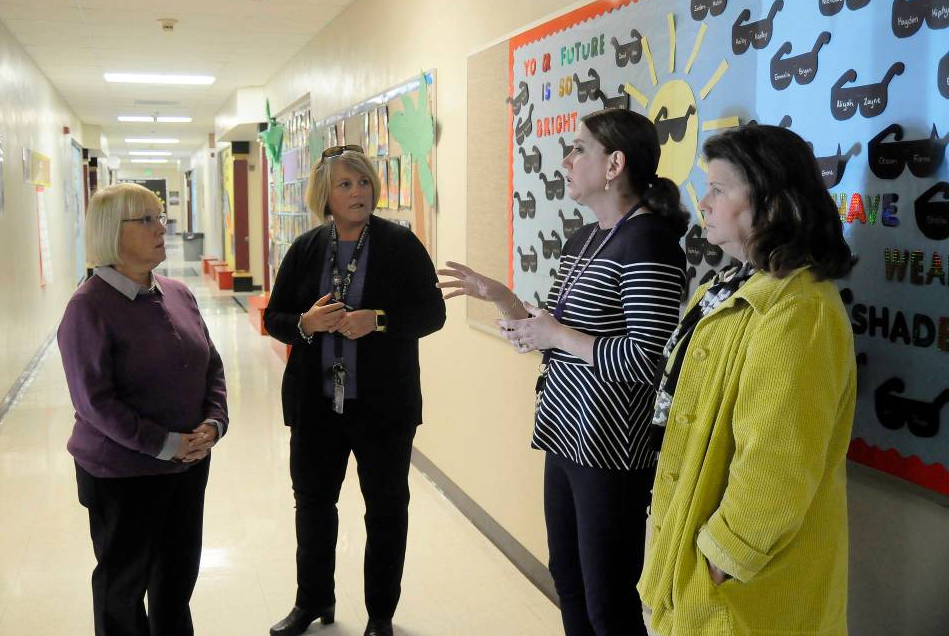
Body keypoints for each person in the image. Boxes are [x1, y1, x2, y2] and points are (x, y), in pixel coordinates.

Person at [438, 108, 689, 636]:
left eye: (578, 149)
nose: (567, 161)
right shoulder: (584, 239)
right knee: (567, 578)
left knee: (608, 596)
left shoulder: (649, 243)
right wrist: (504, 301)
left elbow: (649, 360)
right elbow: (551, 336)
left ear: (615, 163)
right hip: (564, 434)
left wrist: (557, 336)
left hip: (611, 448)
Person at [637, 125, 856, 636]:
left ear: (772, 203)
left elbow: (777, 464)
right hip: (691, 544)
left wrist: (721, 560)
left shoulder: (799, 311)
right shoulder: (730, 284)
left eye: (719, 189)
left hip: (741, 589)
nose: (704, 202)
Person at [264, 145, 446, 636]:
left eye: (364, 182)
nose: (358, 192)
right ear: (325, 194)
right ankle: (312, 601)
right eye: (345, 185)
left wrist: (379, 320)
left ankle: (380, 615)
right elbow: (274, 318)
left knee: (386, 510)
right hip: (316, 406)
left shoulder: (400, 244)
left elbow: (433, 314)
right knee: (314, 506)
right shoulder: (304, 248)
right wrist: (305, 322)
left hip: (383, 408)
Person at [58, 183, 228, 636]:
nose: (162, 229)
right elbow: (95, 403)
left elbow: (211, 364)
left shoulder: (177, 292)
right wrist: (164, 444)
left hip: (187, 468)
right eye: (148, 220)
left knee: (175, 584)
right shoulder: (88, 308)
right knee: (124, 590)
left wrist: (213, 423)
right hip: (122, 474)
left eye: (161, 218)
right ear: (113, 232)